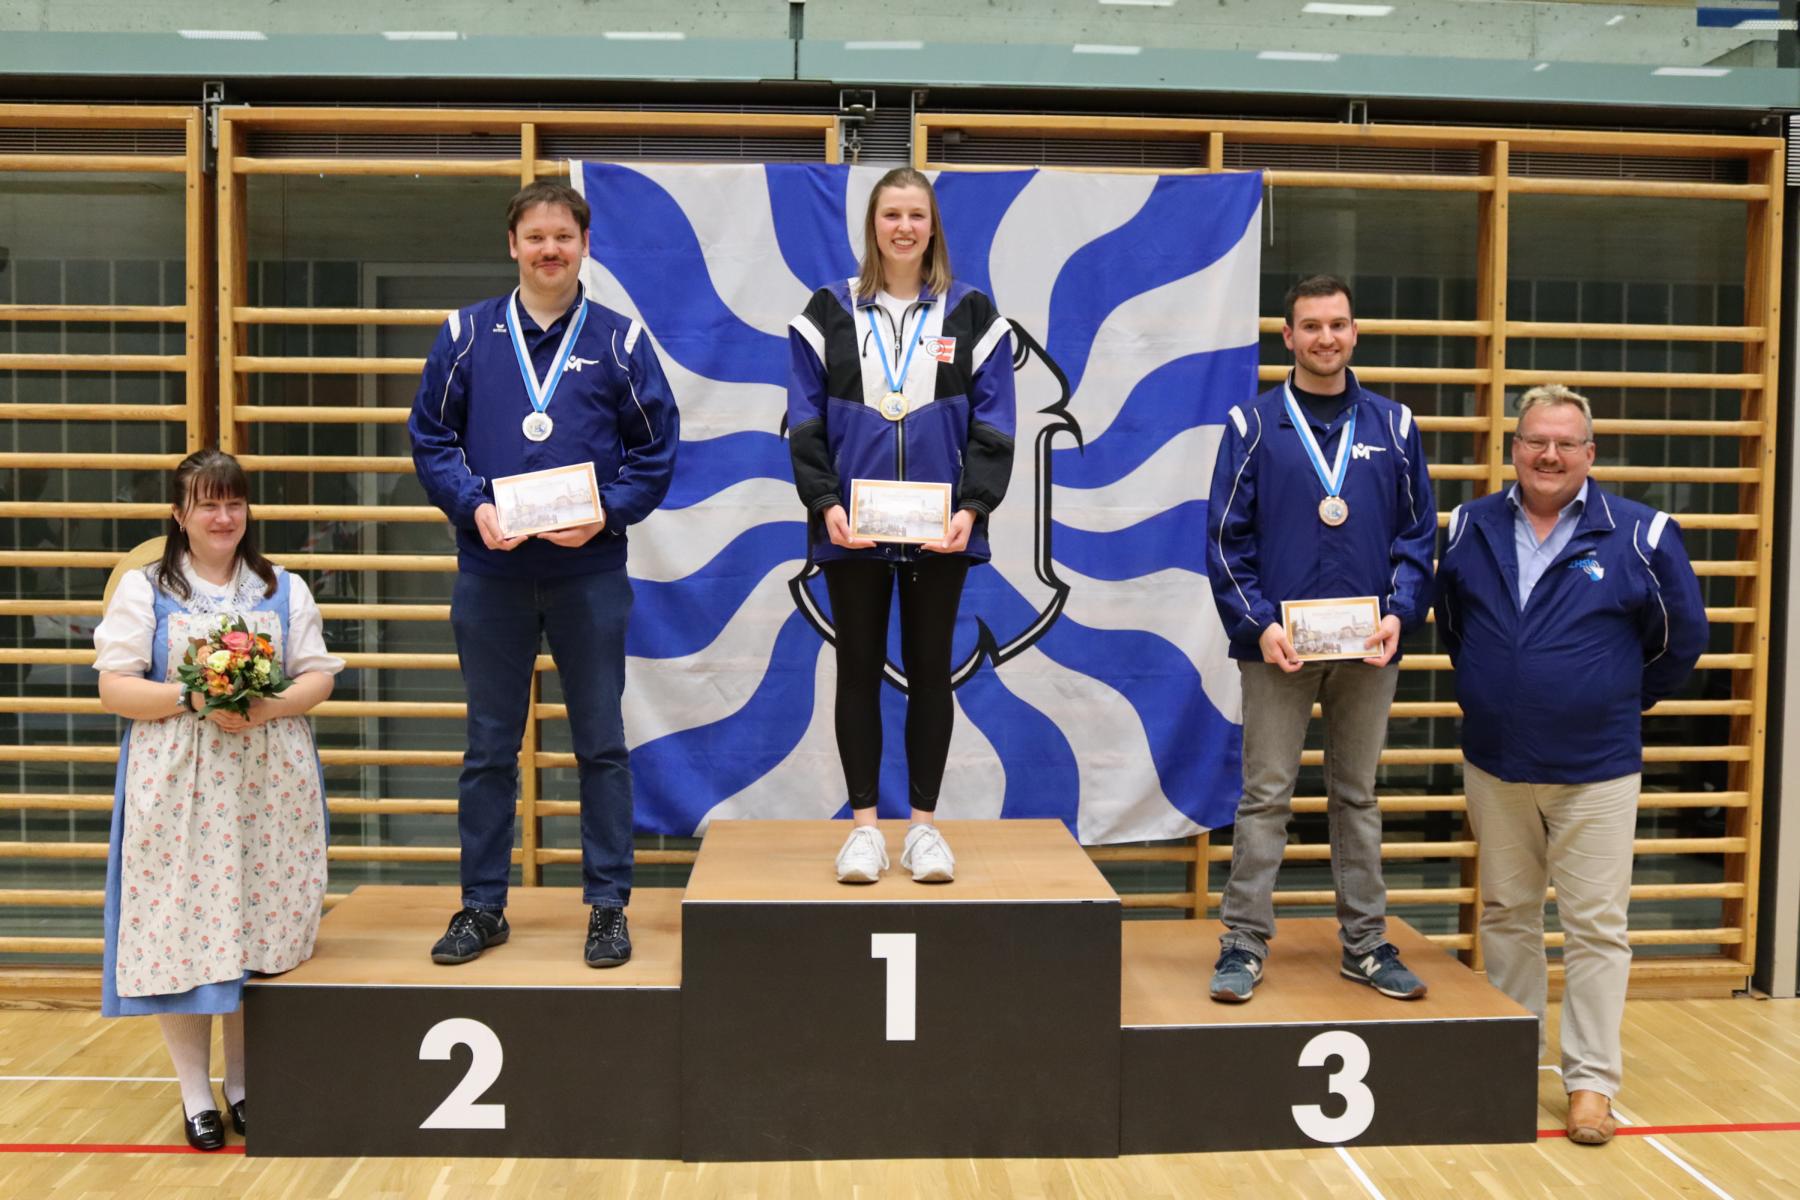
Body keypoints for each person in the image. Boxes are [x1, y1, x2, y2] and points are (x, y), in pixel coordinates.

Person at [409, 180, 678, 968]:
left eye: (564, 236)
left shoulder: (622, 342)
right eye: (536, 237)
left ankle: (606, 906)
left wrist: (608, 512)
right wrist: (471, 507)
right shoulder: (465, 335)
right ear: (514, 246)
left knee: (600, 744)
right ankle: (481, 906)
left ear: (584, 246)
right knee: (490, 746)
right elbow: (431, 438)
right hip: (490, 572)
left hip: (587, 572)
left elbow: (656, 452)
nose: (550, 250)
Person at [1436, 383, 1705, 1146]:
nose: (1547, 455)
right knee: (1506, 916)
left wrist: (1611, 699)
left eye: (1564, 443)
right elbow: (1456, 628)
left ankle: (1590, 1085)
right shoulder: (1469, 528)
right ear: (1512, 450)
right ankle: (1511, 1064)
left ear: (1590, 454)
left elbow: (1679, 640)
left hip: (1597, 772)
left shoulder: (1643, 533)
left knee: (1594, 929)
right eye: (1533, 442)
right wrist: (1505, 693)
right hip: (1495, 765)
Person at [94, 449, 341, 1151]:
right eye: (207, 504)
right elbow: (114, 688)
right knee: (184, 934)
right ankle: (195, 1093)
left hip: (269, 780)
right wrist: (191, 695)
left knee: (256, 931)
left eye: (233, 503)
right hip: (177, 781)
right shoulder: (146, 589)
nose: (223, 516)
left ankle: (243, 1084)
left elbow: (317, 677)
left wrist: (265, 709)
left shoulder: (281, 587)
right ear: (180, 515)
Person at [1204, 274, 1436, 1004]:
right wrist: (1261, 625)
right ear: (1289, 337)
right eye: (1311, 326)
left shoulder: (1395, 427)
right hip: (1281, 648)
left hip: (1369, 649)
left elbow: (1418, 535)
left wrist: (1401, 612)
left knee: (1357, 797)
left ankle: (1365, 944)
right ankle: (1243, 941)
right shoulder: (1252, 425)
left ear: (1354, 333)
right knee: (1265, 795)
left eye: (1337, 325)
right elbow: (1222, 540)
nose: (1325, 338)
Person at [787, 167, 1016, 884]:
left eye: (917, 215)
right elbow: (804, 421)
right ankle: (861, 831)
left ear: (933, 226)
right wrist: (825, 501)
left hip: (939, 528)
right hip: (849, 528)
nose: (905, 227)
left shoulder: (973, 314)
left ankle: (921, 829)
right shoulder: (826, 312)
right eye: (892, 214)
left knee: (929, 673)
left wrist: (972, 506)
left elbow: (995, 422)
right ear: (872, 226)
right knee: (855, 666)